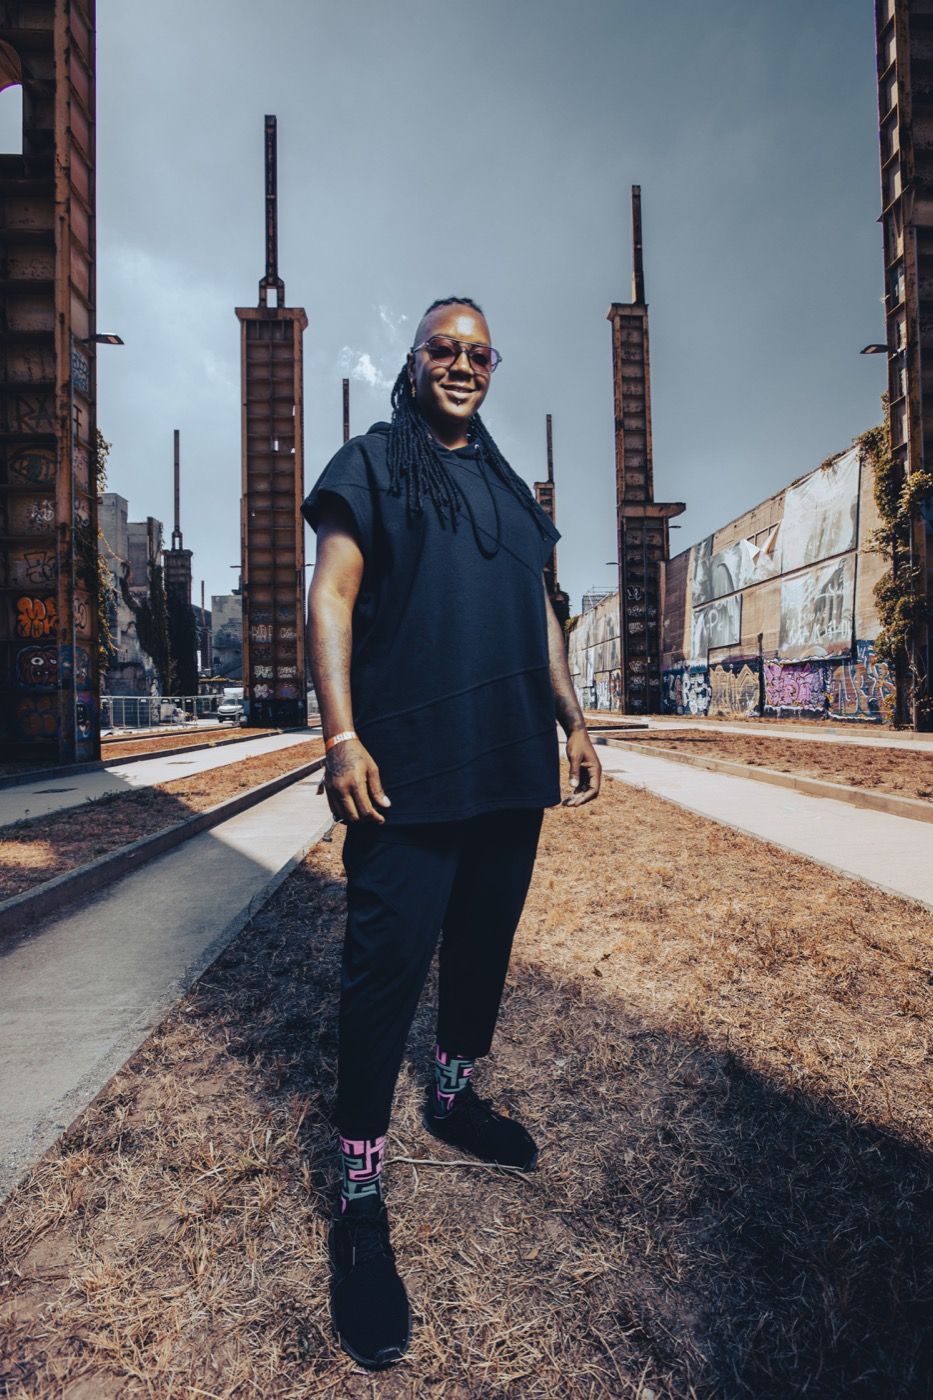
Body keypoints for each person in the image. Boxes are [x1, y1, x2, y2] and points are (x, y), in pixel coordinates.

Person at [303, 296, 601, 1368]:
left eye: (478, 352)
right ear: (416, 359)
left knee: (481, 948)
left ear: (492, 367)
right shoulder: (376, 463)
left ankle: (455, 1094)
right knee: (383, 970)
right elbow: (331, 597)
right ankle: (359, 1186)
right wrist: (341, 735)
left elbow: (541, 613)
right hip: (408, 773)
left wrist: (573, 719)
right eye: (445, 348)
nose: (462, 364)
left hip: (510, 764)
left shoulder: (513, 491)